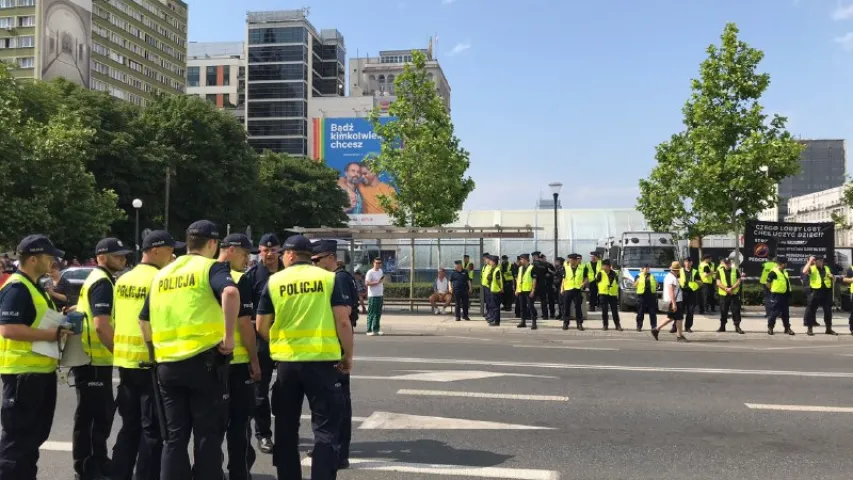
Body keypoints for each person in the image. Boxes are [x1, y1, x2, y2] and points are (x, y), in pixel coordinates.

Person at [138, 220, 239, 480]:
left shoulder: (163, 274)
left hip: (167, 366)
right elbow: (229, 292)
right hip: (203, 363)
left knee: (174, 438)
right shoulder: (210, 267)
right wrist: (229, 337)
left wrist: (154, 352)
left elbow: (143, 320)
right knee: (206, 435)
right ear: (213, 243)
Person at [256, 235, 354, 480]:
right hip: (322, 362)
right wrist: (347, 355)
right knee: (324, 429)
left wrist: (278, 343)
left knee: (286, 428)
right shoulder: (328, 279)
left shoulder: (274, 281)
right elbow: (343, 320)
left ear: (288, 255)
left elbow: (261, 325)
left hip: (288, 364)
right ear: (308, 256)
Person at [0, 235, 73, 480]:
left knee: (31, 441)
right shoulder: (17, 288)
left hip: (37, 373)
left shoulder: (33, 286)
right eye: (49, 257)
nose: (53, 261)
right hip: (23, 375)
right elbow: (8, 329)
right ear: (33, 259)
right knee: (17, 443)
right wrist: (52, 334)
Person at [111, 230, 182, 480]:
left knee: (129, 427)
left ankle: (119, 474)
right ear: (154, 251)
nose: (173, 254)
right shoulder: (162, 279)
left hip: (125, 362)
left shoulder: (123, 279)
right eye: (170, 249)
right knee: (153, 430)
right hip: (151, 362)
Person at [74, 237, 132, 480]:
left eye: (123, 255)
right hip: (93, 362)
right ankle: (87, 468)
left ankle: (98, 460)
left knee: (100, 415)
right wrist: (119, 354)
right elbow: (101, 326)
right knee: (92, 417)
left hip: (94, 361)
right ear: (101, 257)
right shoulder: (102, 283)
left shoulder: (104, 279)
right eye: (117, 255)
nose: (123, 258)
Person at [311, 240, 360, 469]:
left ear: (330, 257)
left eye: (317, 259)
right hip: (336, 342)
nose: (315, 264)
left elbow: (346, 312)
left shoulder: (338, 278)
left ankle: (339, 452)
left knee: (338, 402)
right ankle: (333, 448)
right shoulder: (340, 276)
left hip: (337, 344)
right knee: (333, 401)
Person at [218, 233, 261, 480]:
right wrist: (255, 361)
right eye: (245, 254)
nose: (248, 259)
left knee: (210, 426)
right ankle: (239, 473)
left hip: (209, 363)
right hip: (237, 362)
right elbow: (245, 325)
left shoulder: (206, 274)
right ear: (232, 250)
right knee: (239, 423)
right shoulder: (237, 279)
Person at [243, 233, 283, 455]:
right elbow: (247, 313)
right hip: (262, 340)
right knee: (259, 392)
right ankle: (263, 434)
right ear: (260, 251)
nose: (269, 254)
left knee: (288, 390)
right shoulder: (252, 277)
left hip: (287, 340)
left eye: (273, 250)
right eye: (265, 250)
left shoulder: (288, 274)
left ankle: (287, 432)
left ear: (279, 251)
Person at [652, 261, 687, 341]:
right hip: (676, 301)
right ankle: (679, 336)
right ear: (677, 270)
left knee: (671, 317)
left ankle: (656, 329)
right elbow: (671, 291)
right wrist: (674, 304)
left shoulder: (669, 276)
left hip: (674, 300)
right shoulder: (672, 278)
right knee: (679, 318)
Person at [802, 255, 836, 336]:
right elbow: (804, 271)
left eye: (819, 260)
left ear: (821, 261)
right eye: (815, 260)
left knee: (828, 311)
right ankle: (809, 329)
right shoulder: (812, 268)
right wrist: (810, 261)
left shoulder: (826, 268)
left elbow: (833, 279)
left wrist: (832, 277)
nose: (817, 262)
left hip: (826, 292)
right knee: (811, 310)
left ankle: (828, 329)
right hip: (815, 292)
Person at [765, 256, 794, 336]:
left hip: (784, 295)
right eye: (785, 263)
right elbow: (768, 284)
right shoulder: (773, 272)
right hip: (776, 295)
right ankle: (770, 327)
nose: (786, 264)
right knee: (774, 312)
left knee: (786, 313)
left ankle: (787, 328)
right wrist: (772, 290)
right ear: (782, 264)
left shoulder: (785, 272)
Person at [716, 258, 745, 334]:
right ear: (723, 264)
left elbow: (738, 281)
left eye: (728, 263)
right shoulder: (719, 271)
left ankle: (737, 327)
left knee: (736, 311)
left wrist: (732, 288)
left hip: (734, 294)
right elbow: (718, 282)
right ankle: (722, 327)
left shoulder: (735, 270)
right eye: (725, 263)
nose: (727, 264)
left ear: (730, 263)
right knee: (723, 311)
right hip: (724, 294)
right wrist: (726, 289)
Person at [560, 254, 587, 331]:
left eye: (571, 260)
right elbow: (564, 279)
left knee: (578, 307)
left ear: (575, 260)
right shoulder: (566, 268)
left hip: (577, 290)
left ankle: (579, 324)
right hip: (568, 290)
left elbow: (586, 277)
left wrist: (584, 283)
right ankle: (566, 323)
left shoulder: (582, 268)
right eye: (569, 260)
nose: (570, 261)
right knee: (566, 307)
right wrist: (562, 288)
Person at [595, 259, 621, 331]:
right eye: (603, 266)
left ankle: (617, 325)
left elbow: (617, 283)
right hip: (603, 294)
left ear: (609, 266)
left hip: (612, 295)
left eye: (605, 266)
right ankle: (605, 325)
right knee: (604, 311)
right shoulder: (600, 273)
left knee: (614, 311)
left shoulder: (615, 274)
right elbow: (597, 282)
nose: (604, 267)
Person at [678, 258, 700, 333]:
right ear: (684, 263)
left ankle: (688, 327)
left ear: (691, 263)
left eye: (689, 262)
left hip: (691, 294)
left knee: (690, 312)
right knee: (679, 311)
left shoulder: (695, 271)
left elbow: (700, 282)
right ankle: (675, 327)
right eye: (686, 262)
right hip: (682, 293)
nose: (687, 263)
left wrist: (695, 283)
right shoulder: (680, 271)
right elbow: (676, 279)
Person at [515, 254, 537, 330]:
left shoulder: (532, 268)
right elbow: (518, 279)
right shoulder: (520, 268)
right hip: (521, 290)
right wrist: (517, 289)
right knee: (522, 307)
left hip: (528, 290)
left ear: (526, 259)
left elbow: (534, 280)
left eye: (522, 259)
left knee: (531, 306)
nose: (520, 261)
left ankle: (534, 322)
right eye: (520, 259)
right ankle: (523, 321)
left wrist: (533, 290)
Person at [365, 258, 385, 336]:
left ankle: (376, 329)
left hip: (380, 295)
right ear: (373, 263)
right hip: (373, 296)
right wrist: (377, 282)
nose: (378, 264)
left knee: (378, 313)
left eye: (379, 263)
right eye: (376, 263)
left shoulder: (380, 271)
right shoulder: (370, 272)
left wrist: (380, 282)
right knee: (372, 312)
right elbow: (367, 283)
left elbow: (381, 281)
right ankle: (369, 330)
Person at [634, 265, 658, 332]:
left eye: (648, 269)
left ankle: (654, 326)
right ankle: (639, 326)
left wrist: (656, 283)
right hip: (642, 296)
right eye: (645, 269)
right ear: (642, 269)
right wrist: (637, 281)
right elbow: (634, 285)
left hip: (651, 296)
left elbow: (657, 284)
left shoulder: (652, 276)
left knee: (652, 312)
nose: (647, 270)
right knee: (640, 312)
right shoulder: (638, 276)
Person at [485, 255, 503, 326]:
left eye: (491, 261)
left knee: (496, 307)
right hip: (493, 290)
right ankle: (494, 319)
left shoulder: (497, 270)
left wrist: (500, 288)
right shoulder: (493, 269)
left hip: (496, 291)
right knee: (493, 306)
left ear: (494, 262)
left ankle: (496, 322)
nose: (490, 262)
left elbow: (499, 281)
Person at [480, 253, 493, 321]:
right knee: (487, 301)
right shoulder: (485, 266)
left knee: (490, 301)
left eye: (485, 259)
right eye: (483, 259)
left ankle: (491, 314)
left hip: (489, 287)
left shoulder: (491, 266)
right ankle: (488, 313)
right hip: (485, 286)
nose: (484, 260)